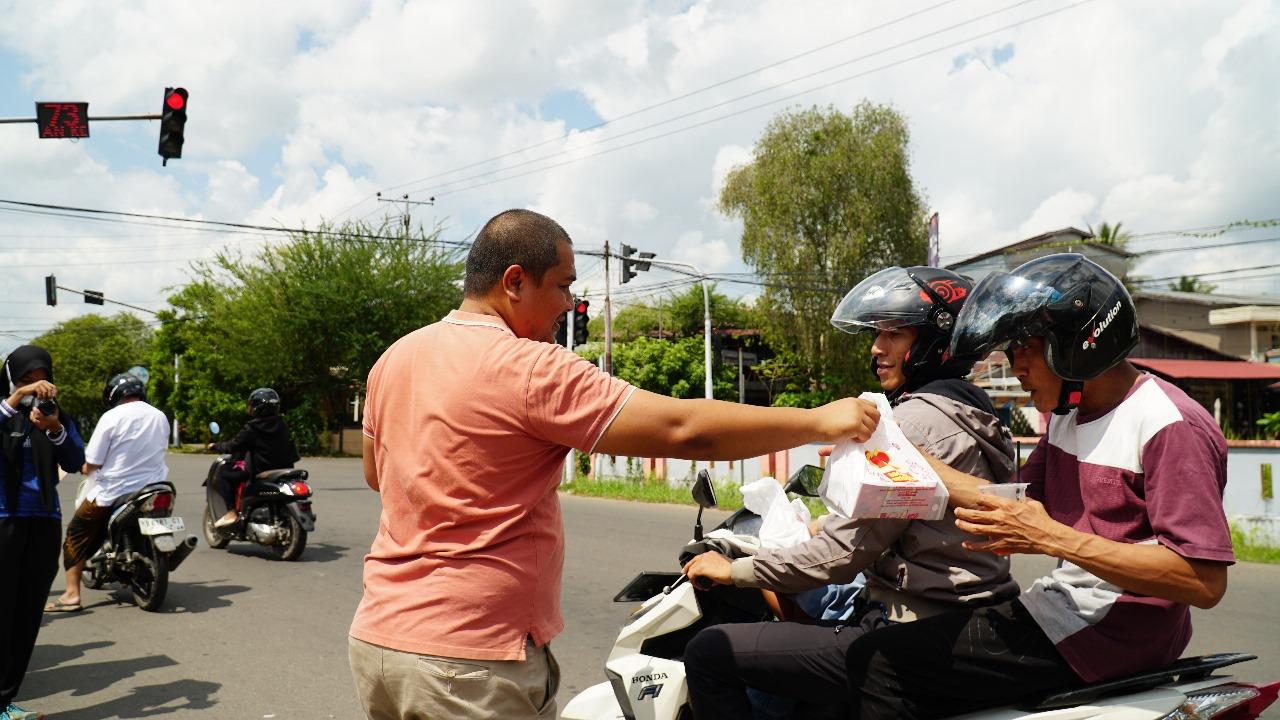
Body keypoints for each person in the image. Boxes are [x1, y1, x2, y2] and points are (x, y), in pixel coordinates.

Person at [348, 208, 881, 720]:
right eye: (561, 285)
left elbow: (379, 474)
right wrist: (817, 420)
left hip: (380, 641)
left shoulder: (395, 359)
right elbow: (683, 429)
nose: (567, 303)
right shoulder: (530, 368)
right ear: (515, 281)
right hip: (470, 659)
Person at [842, 253, 1234, 719]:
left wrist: (1051, 537)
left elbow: (1203, 580)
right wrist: (896, 460)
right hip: (1060, 607)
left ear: (1080, 344)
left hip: (1111, 635)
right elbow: (1020, 505)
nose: (1016, 366)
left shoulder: (1167, 424)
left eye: (1025, 347)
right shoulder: (1069, 415)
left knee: (882, 665)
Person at [681, 266, 1020, 720]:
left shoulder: (912, 424)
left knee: (709, 652)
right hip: (965, 617)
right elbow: (917, 521)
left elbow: (843, 555)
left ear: (938, 341)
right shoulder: (974, 410)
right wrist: (821, 521)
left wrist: (734, 570)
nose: (877, 348)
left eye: (895, 334)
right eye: (877, 334)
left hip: (910, 626)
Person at [0, 346, 85, 720]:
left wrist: (53, 428)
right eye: (24, 383)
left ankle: (3, 701)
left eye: (41, 382)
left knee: (27, 615)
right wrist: (10, 403)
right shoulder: (3, 412)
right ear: (9, 382)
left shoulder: (55, 417)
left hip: (44, 521)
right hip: (3, 520)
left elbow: (74, 460)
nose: (34, 390)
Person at [47, 373, 170, 613]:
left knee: (76, 533)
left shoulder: (111, 417)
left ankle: (72, 594)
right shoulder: (160, 415)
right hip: (155, 487)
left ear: (113, 395)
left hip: (114, 491)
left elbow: (92, 462)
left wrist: (82, 467)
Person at [207, 387, 300, 528]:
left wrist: (215, 446)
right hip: (284, 470)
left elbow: (232, 446)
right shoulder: (283, 424)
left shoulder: (252, 427)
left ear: (257, 407)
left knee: (224, 477)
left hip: (260, 471)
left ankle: (232, 512)